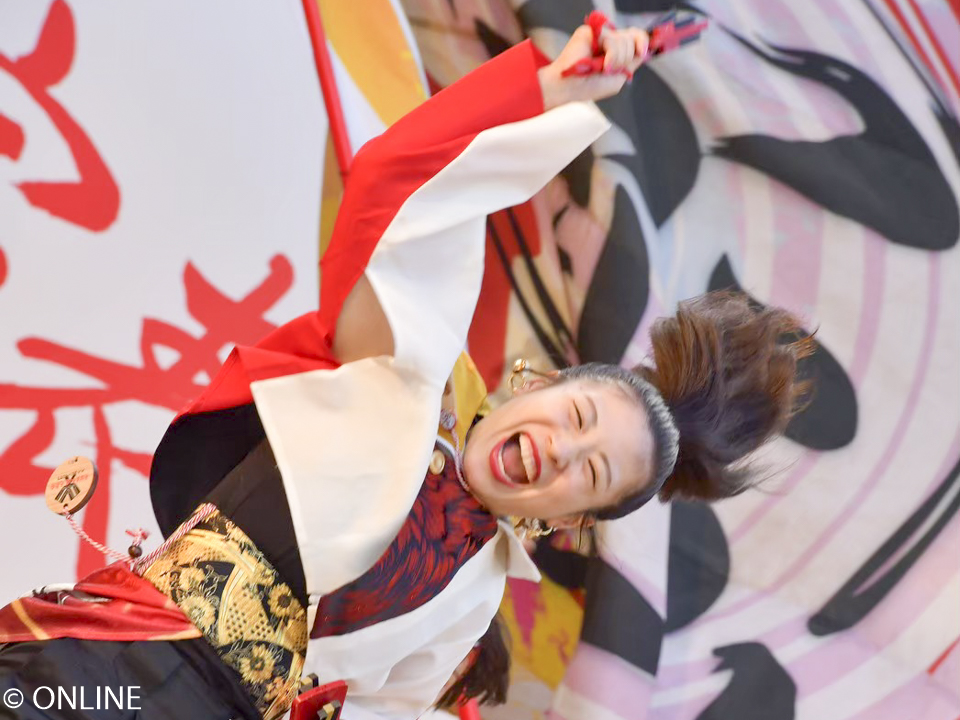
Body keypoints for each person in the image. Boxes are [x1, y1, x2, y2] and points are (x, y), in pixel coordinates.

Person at [0, 15, 811, 720]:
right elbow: (405, 189)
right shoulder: (402, 375)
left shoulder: (473, 605)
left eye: (590, 473)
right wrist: (551, 92)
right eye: (578, 418)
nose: (563, 450)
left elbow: (378, 709)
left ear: (573, 519)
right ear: (536, 386)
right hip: (101, 659)